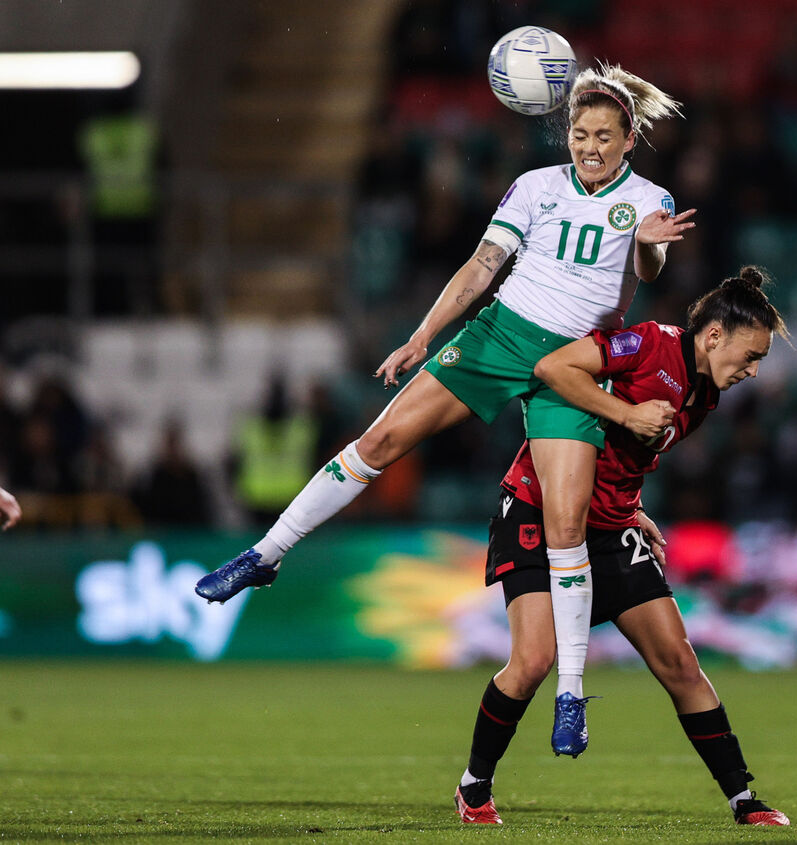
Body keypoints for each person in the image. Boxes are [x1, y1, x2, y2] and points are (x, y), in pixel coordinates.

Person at [195, 64, 695, 753]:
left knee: (565, 520)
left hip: (576, 361)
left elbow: (649, 269)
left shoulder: (646, 200)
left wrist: (648, 249)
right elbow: (483, 266)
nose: (589, 147)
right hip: (501, 334)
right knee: (382, 438)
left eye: (604, 137)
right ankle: (266, 552)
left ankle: (572, 691)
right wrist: (425, 334)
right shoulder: (534, 187)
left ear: (630, 138)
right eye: (580, 134)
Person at [454, 267, 790, 826]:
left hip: (610, 529)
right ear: (713, 336)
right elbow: (553, 368)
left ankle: (742, 798)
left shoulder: (704, 395)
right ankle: (474, 785)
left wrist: (633, 507)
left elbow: (621, 459)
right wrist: (627, 411)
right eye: (750, 355)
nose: (753, 370)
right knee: (533, 660)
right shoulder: (649, 344)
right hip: (539, 511)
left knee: (680, 662)